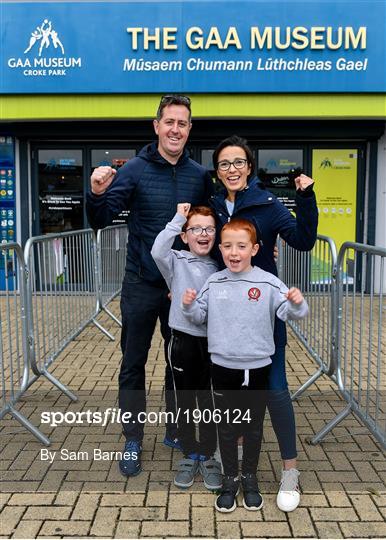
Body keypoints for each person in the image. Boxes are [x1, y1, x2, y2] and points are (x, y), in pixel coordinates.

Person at [86, 95, 213, 477]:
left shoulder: (198, 175)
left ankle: (177, 427)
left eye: (183, 123)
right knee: (133, 362)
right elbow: (101, 219)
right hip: (141, 284)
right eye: (169, 122)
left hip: (181, 289)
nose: (176, 129)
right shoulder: (136, 170)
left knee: (181, 362)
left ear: (190, 130)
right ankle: (133, 437)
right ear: (156, 126)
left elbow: (208, 227)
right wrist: (95, 193)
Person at [209, 135, 318, 512]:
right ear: (217, 170)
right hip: (225, 318)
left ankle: (290, 470)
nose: (232, 169)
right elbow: (200, 245)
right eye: (224, 164)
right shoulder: (214, 207)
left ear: (250, 167)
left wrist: (305, 199)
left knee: (274, 389)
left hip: (263, 314)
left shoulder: (268, 205)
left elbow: (303, 241)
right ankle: (239, 467)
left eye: (238, 162)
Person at [182, 218, 309, 512]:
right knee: (226, 427)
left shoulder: (267, 281)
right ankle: (230, 479)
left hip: (258, 368)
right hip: (223, 368)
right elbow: (198, 315)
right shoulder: (214, 282)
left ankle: (249, 478)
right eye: (227, 246)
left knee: (252, 427)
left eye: (241, 246)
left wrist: (297, 301)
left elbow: (291, 312)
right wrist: (188, 305)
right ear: (221, 249)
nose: (233, 252)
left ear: (254, 249)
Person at [151, 203, 221, 490]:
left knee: (209, 400)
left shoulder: (221, 264)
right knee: (184, 400)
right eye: (196, 229)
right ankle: (189, 452)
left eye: (209, 229)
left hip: (214, 343)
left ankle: (207, 454)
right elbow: (157, 250)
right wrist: (179, 218)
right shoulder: (176, 260)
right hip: (181, 341)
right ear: (185, 235)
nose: (203, 234)